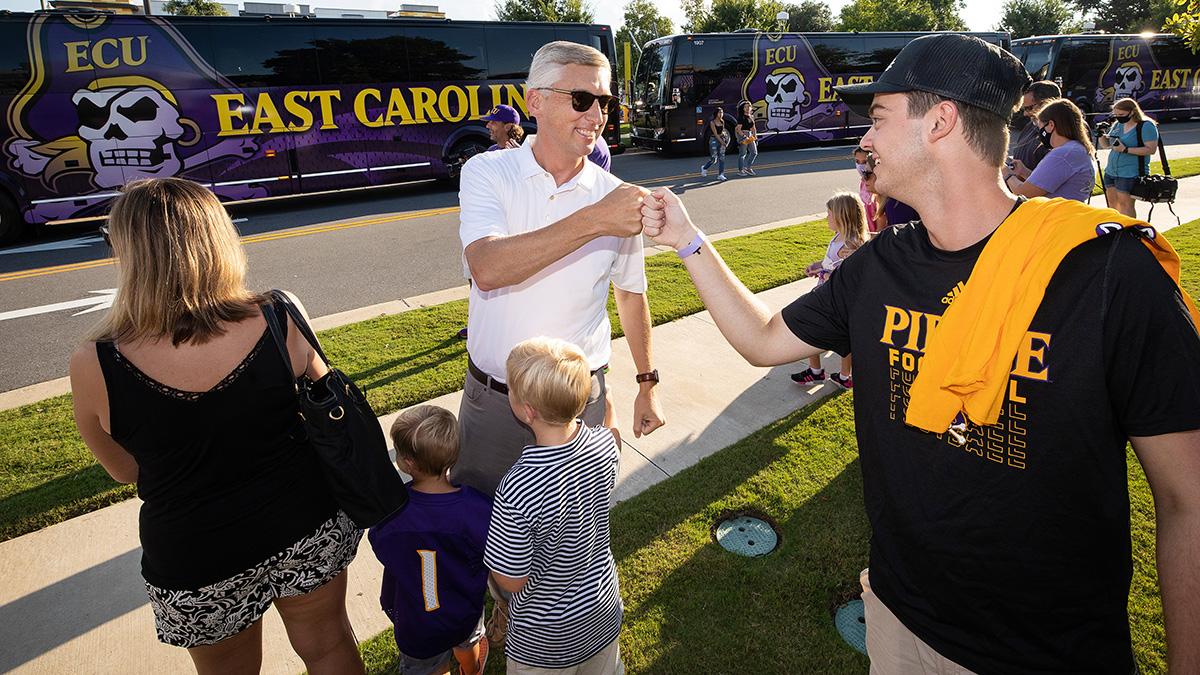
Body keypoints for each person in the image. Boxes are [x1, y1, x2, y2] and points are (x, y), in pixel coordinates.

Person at [639, 33, 1200, 674]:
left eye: (878, 116)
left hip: (1048, 656)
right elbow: (764, 339)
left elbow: (1189, 500)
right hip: (899, 622)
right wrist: (686, 238)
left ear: (940, 121)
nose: (865, 136)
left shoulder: (1110, 275)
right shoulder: (882, 263)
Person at [69, 177, 364, 675]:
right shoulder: (278, 314)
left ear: (130, 253)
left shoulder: (94, 362)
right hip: (304, 518)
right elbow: (326, 401)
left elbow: (123, 470)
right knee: (329, 645)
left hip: (195, 555)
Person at [454, 40, 664, 645]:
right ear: (534, 101)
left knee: (574, 543)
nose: (596, 114)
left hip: (581, 406)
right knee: (486, 538)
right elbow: (488, 267)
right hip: (496, 404)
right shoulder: (486, 171)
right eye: (582, 98)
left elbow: (631, 296)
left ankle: (556, 633)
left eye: (604, 100)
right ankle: (495, 620)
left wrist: (645, 384)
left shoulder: (615, 191)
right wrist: (597, 218)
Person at [485, 337, 624, 675]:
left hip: (545, 637)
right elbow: (614, 435)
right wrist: (610, 407)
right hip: (602, 612)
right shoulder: (604, 447)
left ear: (527, 412)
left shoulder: (517, 487)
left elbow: (511, 582)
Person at [369, 405, 492, 675]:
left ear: (408, 464)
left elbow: (377, 541)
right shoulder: (478, 508)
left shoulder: (393, 513)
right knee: (468, 642)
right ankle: (471, 669)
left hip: (417, 622)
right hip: (463, 610)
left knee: (428, 667)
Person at [790, 193, 869, 389]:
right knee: (812, 329)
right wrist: (816, 265)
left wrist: (825, 275)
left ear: (842, 216)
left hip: (835, 300)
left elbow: (849, 277)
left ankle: (841, 375)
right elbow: (830, 263)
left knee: (837, 337)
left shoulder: (850, 245)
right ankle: (821, 372)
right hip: (824, 295)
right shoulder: (838, 237)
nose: (826, 217)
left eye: (829, 213)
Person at [1005, 98, 1095, 202]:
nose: (1040, 133)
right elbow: (1046, 184)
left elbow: (1025, 192)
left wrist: (1007, 173)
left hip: (1056, 215)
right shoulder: (1077, 149)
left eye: (1041, 127)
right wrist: (1023, 171)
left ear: (1051, 125)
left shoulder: (1062, 155)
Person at [1099, 97, 1159, 217]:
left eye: (1121, 114)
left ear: (1132, 111)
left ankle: (1128, 230)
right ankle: (1115, 229)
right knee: (1112, 204)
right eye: (1116, 115)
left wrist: (1126, 150)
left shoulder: (1145, 126)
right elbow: (1106, 145)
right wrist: (1101, 134)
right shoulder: (1118, 125)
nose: (1118, 117)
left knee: (1126, 205)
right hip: (1111, 171)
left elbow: (1151, 149)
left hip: (1129, 172)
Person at [1009, 80, 1061, 176]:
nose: (1025, 113)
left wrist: (1024, 173)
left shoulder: (1063, 134)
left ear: (1046, 104)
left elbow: (1053, 182)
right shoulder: (1031, 125)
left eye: (1029, 108)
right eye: (1023, 109)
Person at [700, 107, 729, 181]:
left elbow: (721, 131)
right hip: (714, 140)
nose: (721, 114)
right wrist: (722, 142)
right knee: (713, 158)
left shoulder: (722, 122)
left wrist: (724, 136)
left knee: (722, 157)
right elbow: (715, 133)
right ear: (716, 114)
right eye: (719, 113)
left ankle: (721, 174)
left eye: (722, 113)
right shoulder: (712, 122)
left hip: (721, 138)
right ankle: (704, 168)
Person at [735, 100, 758, 176]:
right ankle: (740, 170)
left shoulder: (751, 116)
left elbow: (753, 128)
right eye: (745, 107)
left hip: (750, 134)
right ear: (743, 108)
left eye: (749, 107)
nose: (747, 108)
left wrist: (755, 137)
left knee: (754, 152)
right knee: (743, 153)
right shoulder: (741, 117)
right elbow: (738, 129)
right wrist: (744, 137)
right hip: (743, 134)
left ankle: (748, 168)